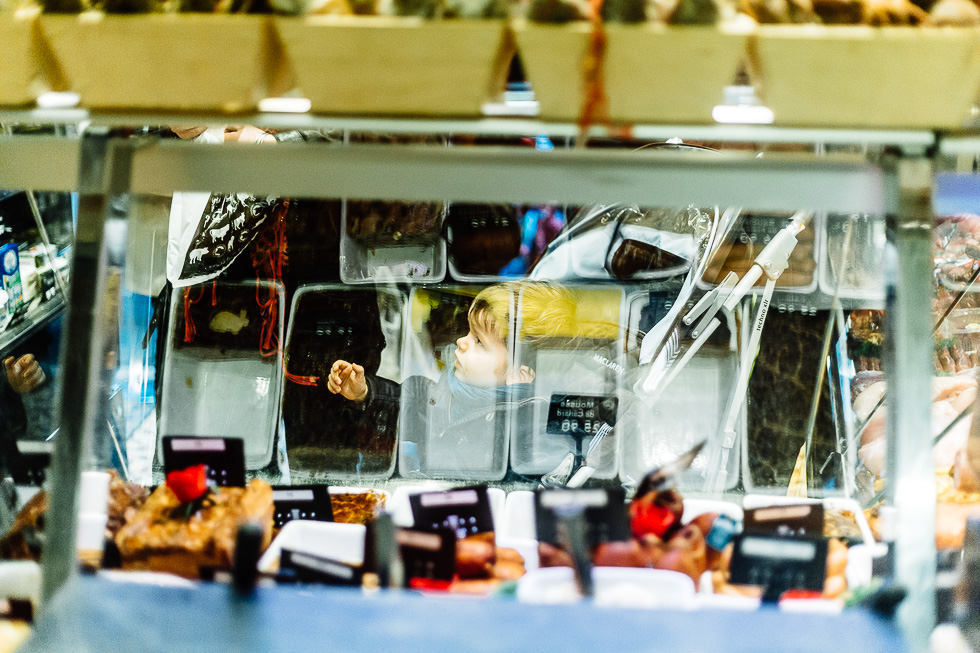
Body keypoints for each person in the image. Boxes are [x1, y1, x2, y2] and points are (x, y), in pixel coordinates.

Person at [327, 280, 579, 479]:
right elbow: (405, 403)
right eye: (469, 332)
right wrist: (365, 392)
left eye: (479, 342)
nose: (462, 341)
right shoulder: (441, 393)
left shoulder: (528, 427)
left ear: (518, 375)